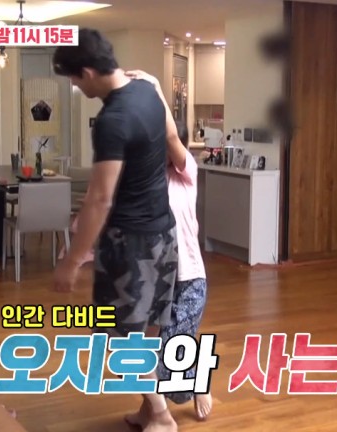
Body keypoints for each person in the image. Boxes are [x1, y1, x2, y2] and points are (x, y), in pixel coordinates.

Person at [51, 29, 178, 432]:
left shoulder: (112, 119)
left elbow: (100, 199)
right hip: (164, 234)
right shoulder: (148, 90)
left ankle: (161, 415)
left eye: (74, 80)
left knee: (118, 335)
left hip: (130, 243)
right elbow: (172, 138)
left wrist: (72, 261)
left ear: (87, 73)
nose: (76, 87)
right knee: (148, 328)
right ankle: (149, 409)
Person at [125, 70, 213, 421]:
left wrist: (157, 89)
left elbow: (172, 135)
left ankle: (197, 378)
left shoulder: (186, 174)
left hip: (188, 280)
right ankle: (149, 410)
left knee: (171, 371)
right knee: (135, 351)